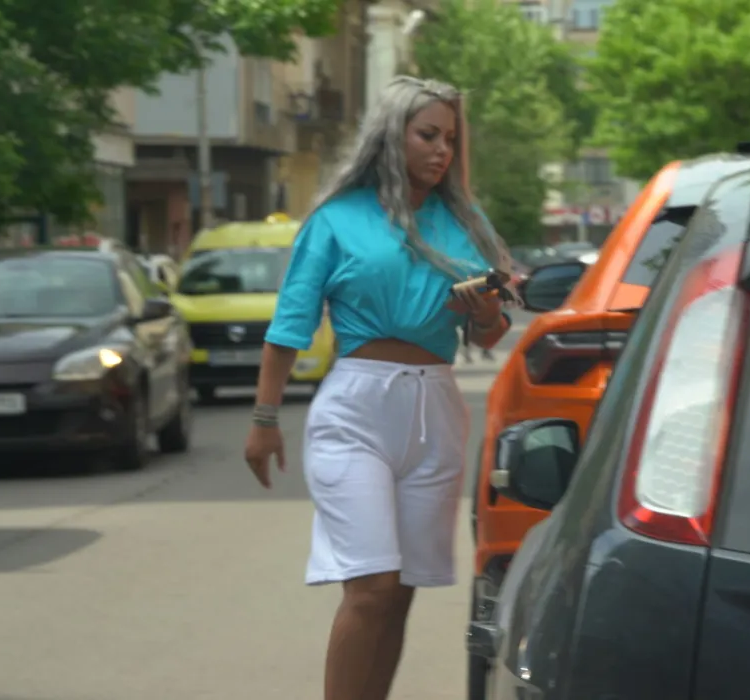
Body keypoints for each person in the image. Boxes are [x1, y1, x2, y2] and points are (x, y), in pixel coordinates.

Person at [242, 76, 516, 700]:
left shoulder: (464, 222)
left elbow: (491, 333)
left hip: (436, 408)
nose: (442, 150)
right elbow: (289, 326)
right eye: (427, 135)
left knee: (399, 594)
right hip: (356, 411)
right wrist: (263, 419)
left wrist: (483, 314)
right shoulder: (337, 219)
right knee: (369, 588)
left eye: (450, 139)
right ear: (392, 136)